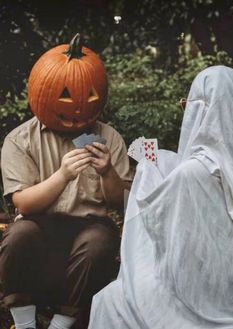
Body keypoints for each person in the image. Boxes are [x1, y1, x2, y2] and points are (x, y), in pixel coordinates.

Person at [0, 35, 133, 329]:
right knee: (17, 237)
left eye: (89, 96)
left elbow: (121, 202)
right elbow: (22, 203)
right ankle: (23, 323)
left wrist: (107, 172)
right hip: (38, 221)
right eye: (65, 94)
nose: (77, 108)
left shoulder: (108, 137)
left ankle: (62, 323)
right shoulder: (20, 139)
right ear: (40, 93)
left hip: (90, 223)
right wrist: (62, 176)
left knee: (99, 244)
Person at [88, 65, 233, 329]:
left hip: (194, 285)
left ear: (203, 111)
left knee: (112, 300)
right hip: (227, 283)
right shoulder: (217, 167)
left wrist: (148, 171)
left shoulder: (192, 172)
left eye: (187, 106)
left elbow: (159, 224)